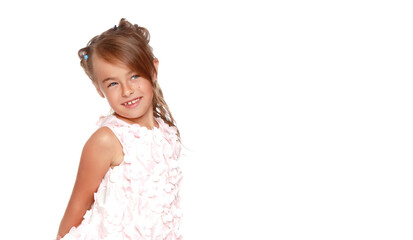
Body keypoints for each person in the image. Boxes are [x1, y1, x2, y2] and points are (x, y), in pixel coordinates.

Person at [56, 18, 183, 240]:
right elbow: (77, 208)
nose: (127, 90)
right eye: (113, 83)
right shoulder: (107, 140)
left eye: (134, 75)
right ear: (99, 89)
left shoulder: (165, 133)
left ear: (153, 70)